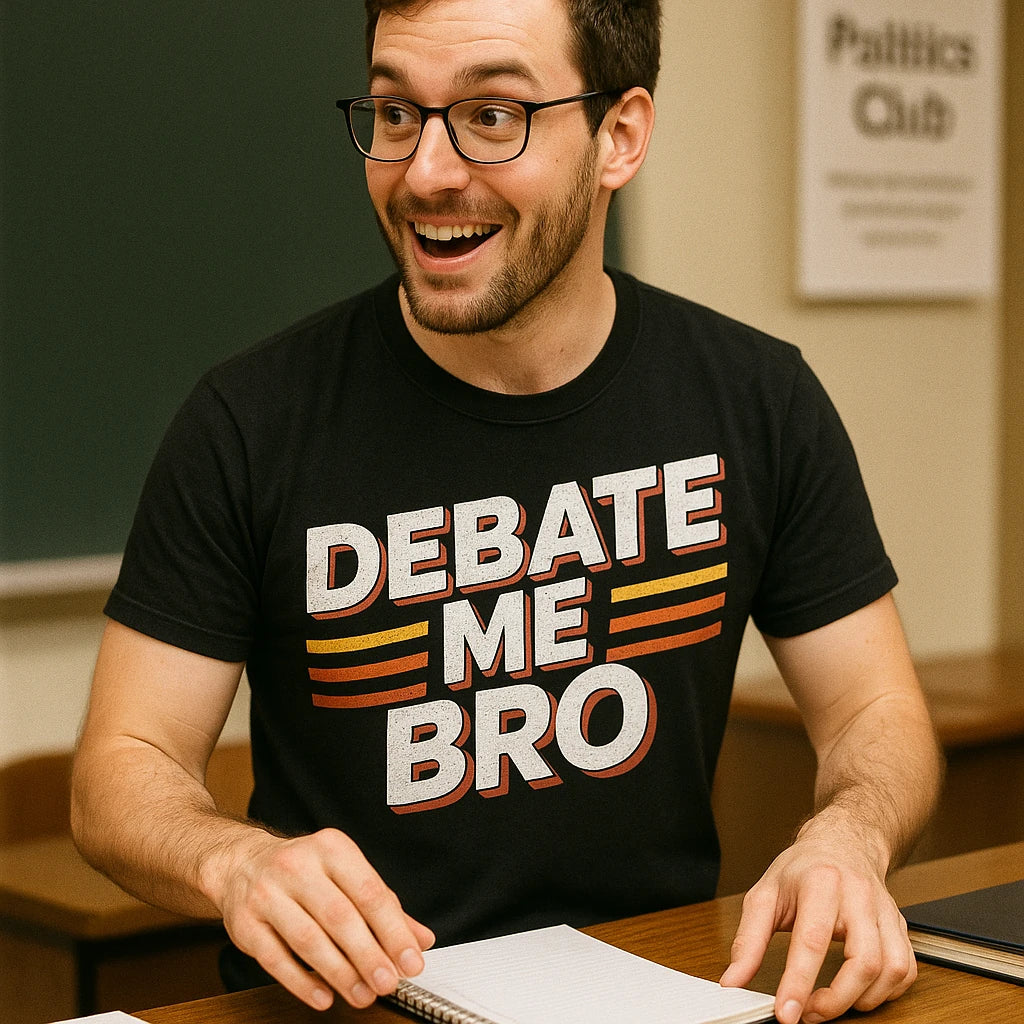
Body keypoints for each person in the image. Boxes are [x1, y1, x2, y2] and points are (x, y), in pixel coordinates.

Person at [71, 2, 943, 1022]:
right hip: (356, 1005)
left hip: (658, 989)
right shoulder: (248, 422)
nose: (428, 171)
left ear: (620, 136)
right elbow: (120, 771)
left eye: (492, 114)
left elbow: (877, 716)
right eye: (397, 113)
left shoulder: (756, 400)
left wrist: (851, 831)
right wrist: (234, 860)